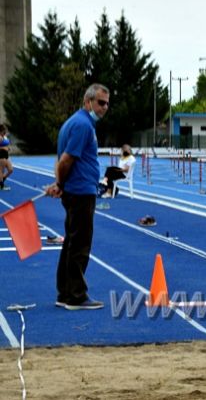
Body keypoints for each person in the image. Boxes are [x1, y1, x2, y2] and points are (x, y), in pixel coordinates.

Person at [45, 83, 110, 310]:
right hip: (81, 192)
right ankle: (76, 296)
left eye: (107, 104)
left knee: (71, 243)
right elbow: (65, 161)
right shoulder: (83, 125)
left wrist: (61, 184)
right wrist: (61, 183)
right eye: (101, 103)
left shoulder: (73, 123)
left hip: (76, 189)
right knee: (80, 244)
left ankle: (65, 293)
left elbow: (61, 160)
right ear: (88, 101)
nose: (104, 108)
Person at [0, 124, 13, 190]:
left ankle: (2, 180)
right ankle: (1, 186)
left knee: (10, 170)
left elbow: (6, 143)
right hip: (1, 155)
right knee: (1, 171)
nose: (5, 132)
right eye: (4, 131)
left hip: (6, 155)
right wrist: (3, 148)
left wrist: (8, 147)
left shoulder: (4, 136)